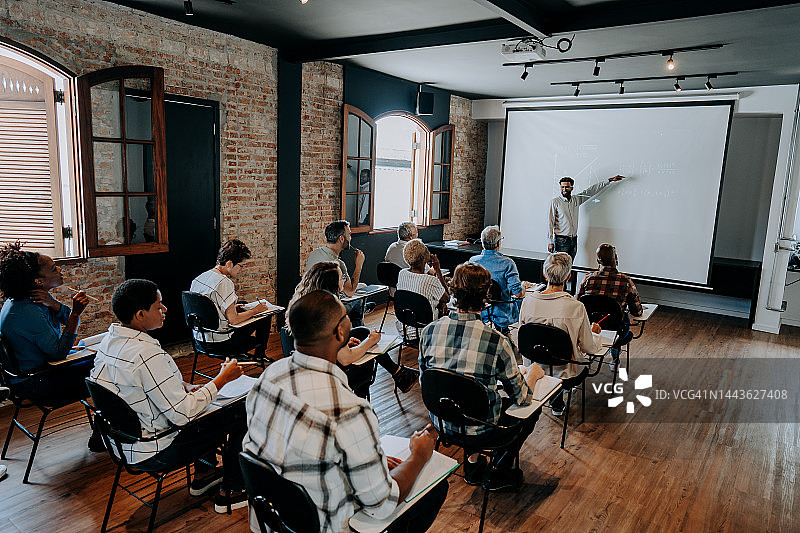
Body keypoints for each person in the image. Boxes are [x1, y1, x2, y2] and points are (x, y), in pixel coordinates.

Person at [243, 290, 447, 533]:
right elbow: (382, 505)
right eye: (345, 315)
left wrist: (371, 458)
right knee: (436, 488)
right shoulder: (350, 410)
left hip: (273, 520)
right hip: (326, 526)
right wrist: (418, 456)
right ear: (340, 332)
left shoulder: (269, 377)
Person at [89, 279, 248, 512]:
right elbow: (182, 415)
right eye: (158, 306)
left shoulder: (109, 342)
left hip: (121, 444)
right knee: (242, 409)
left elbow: (135, 385)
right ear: (140, 314)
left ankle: (205, 475)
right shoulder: (147, 354)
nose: (165, 309)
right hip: (155, 450)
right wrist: (222, 379)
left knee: (206, 402)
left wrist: (180, 385)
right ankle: (232, 490)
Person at [419, 262, 545, 489]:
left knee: (469, 394)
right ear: (486, 295)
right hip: (480, 430)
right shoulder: (497, 340)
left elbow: (425, 381)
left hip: (441, 422)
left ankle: (474, 462)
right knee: (531, 410)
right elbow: (522, 398)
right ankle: (498, 470)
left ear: (453, 290)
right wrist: (533, 374)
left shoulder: (430, 330)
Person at [284, 261, 419, 395]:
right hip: (327, 372)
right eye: (341, 277)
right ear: (332, 285)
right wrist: (370, 342)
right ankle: (362, 399)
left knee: (363, 332)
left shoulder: (304, 302)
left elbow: (321, 340)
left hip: (308, 362)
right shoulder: (328, 311)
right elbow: (346, 358)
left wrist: (341, 344)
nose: (344, 280)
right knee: (368, 356)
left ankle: (399, 373)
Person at [0, 242, 96, 411]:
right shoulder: (27, 311)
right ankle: (106, 431)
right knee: (106, 366)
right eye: (53, 269)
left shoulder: (34, 298)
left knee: (98, 353)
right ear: (38, 281)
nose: (60, 270)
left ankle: (101, 430)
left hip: (41, 371)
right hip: (36, 382)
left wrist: (54, 304)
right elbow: (59, 353)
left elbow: (66, 322)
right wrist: (75, 314)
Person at [516, 252, 601, 416]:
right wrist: (595, 334)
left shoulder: (528, 302)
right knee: (568, 359)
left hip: (533, 368)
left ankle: (553, 399)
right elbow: (589, 348)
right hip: (566, 374)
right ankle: (557, 399)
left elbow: (523, 337)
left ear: (544, 274)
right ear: (568, 276)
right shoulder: (576, 307)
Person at [189, 239, 270, 357]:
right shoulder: (224, 282)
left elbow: (207, 307)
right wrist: (255, 310)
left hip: (200, 340)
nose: (241, 270)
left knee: (242, 304)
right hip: (220, 343)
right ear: (229, 264)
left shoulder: (199, 278)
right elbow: (234, 320)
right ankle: (260, 355)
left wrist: (232, 307)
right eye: (241, 266)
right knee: (265, 316)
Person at [577, 243, 642, 370]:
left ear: (598, 261)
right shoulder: (626, 281)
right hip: (616, 331)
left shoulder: (588, 279)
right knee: (622, 315)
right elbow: (637, 311)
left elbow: (577, 304)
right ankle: (615, 359)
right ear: (616, 259)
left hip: (590, 328)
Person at [469, 225, 533, 331]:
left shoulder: (473, 261)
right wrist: (523, 286)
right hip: (502, 312)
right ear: (498, 243)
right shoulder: (507, 263)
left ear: (482, 242)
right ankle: (506, 332)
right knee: (524, 300)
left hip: (480, 309)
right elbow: (518, 293)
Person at [547, 175, 626, 258]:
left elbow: (591, 191)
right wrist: (550, 241)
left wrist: (608, 181)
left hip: (573, 240)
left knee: (570, 266)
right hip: (561, 241)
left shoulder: (576, 199)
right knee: (561, 267)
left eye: (567, 187)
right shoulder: (555, 202)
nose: (564, 190)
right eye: (562, 187)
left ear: (572, 188)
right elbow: (550, 222)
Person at [396, 238, 449, 319]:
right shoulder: (430, 280)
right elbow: (447, 298)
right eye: (426, 250)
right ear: (422, 257)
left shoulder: (402, 273)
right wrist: (437, 269)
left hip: (405, 323)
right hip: (426, 326)